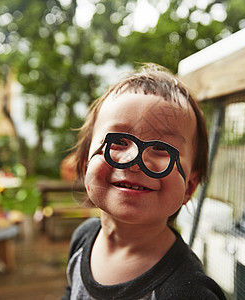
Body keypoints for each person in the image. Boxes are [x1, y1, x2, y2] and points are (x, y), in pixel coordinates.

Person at [62, 63, 226, 300]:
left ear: (189, 186)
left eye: (161, 148)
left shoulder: (188, 292)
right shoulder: (83, 238)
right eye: (117, 141)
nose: (133, 160)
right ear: (86, 164)